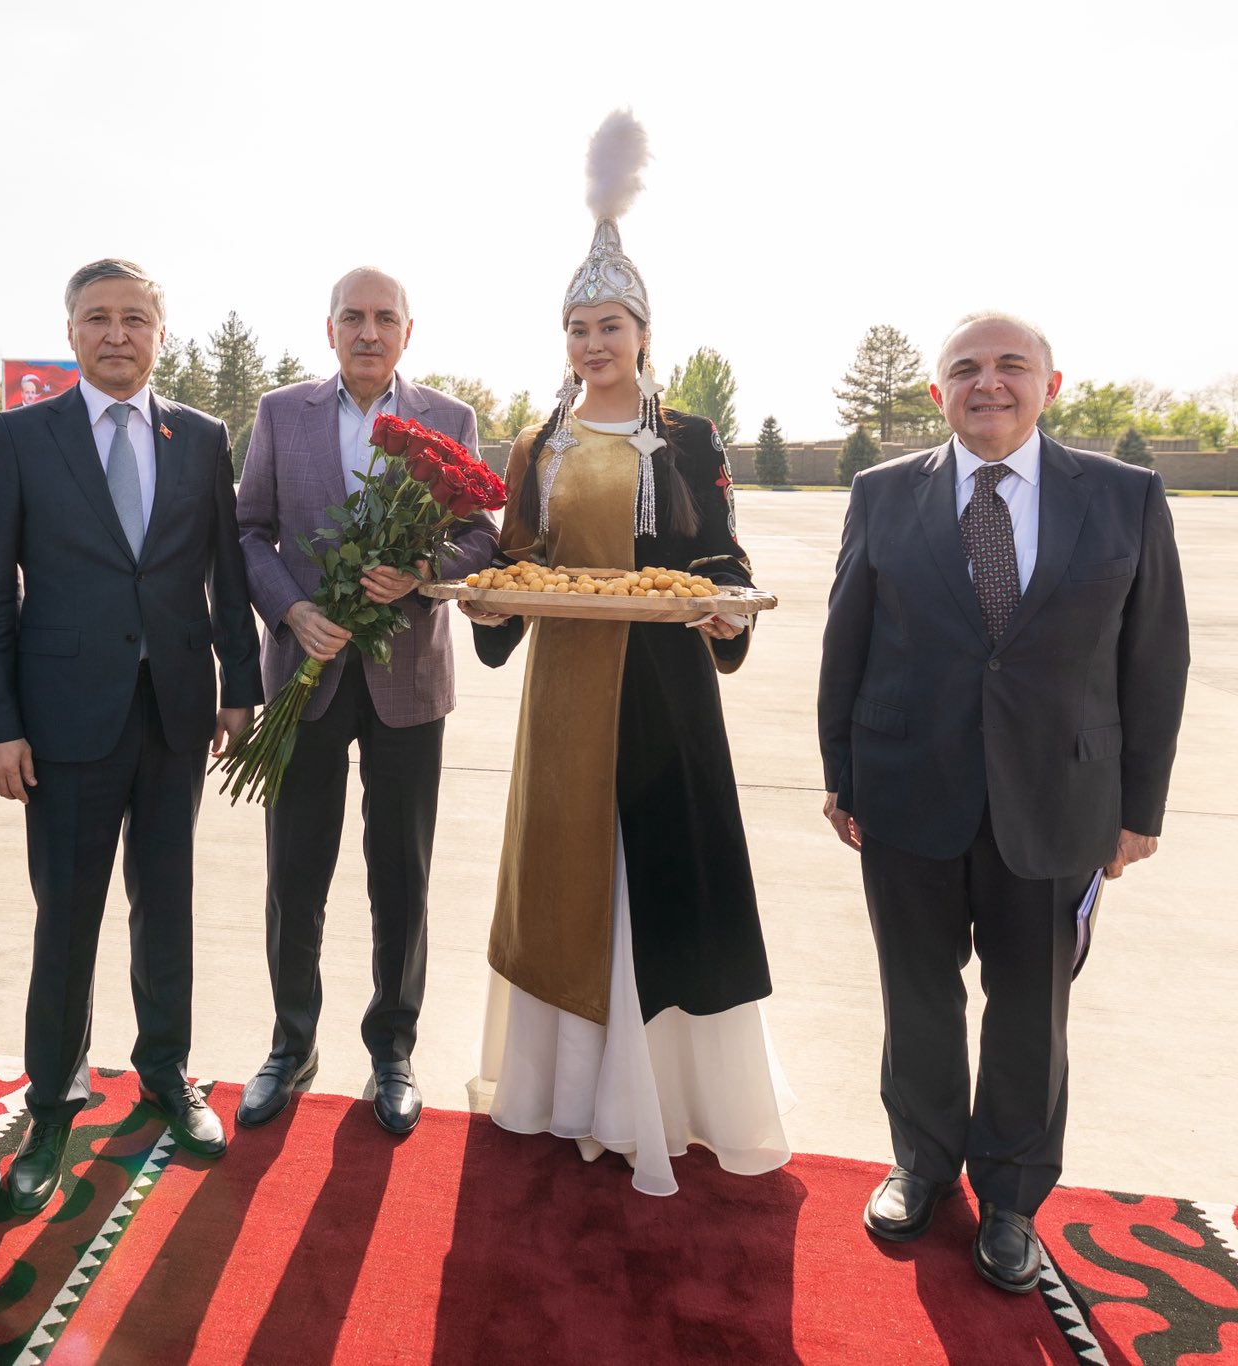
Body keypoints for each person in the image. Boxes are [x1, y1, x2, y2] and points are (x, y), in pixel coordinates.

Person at [817, 312, 1188, 1293]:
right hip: (906, 792)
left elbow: (1155, 659)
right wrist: (840, 776)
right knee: (916, 992)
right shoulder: (881, 494)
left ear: (1049, 385)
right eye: (966, 368)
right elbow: (846, 641)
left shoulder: (1124, 496)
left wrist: (1139, 808)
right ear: (936, 391)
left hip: (1059, 798)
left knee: (1031, 1009)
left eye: (1010, 365)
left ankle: (1012, 1198)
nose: (988, 383)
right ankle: (921, 1164)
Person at [461, 112, 789, 1197]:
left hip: (660, 698)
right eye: (577, 328)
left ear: (644, 333)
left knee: (655, 884)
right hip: (564, 694)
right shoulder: (536, 443)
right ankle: (562, 1094)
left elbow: (723, 558)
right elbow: (518, 563)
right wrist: (485, 601)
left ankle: (653, 1101)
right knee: (564, 880)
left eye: (609, 325)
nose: (593, 343)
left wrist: (727, 610)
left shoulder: (688, 439)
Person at [0, 258, 262, 1214]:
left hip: (175, 711)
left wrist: (240, 686)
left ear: (160, 335)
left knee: (165, 905)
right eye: (98, 318)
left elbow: (224, 572)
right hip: (61, 721)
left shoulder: (201, 436)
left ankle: (165, 1071)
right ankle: (53, 1104)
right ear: (71, 332)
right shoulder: (19, 437)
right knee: (67, 919)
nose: (117, 334)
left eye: (135, 318)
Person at [232, 267, 496, 1134]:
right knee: (294, 872)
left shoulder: (449, 419)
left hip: (406, 681)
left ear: (408, 333)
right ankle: (291, 1044)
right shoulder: (281, 413)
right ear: (330, 329)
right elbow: (249, 530)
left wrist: (423, 572)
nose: (369, 332)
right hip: (303, 674)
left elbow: (480, 536)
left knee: (402, 873)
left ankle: (393, 1049)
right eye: (353, 317)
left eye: (386, 318)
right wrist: (291, 609)